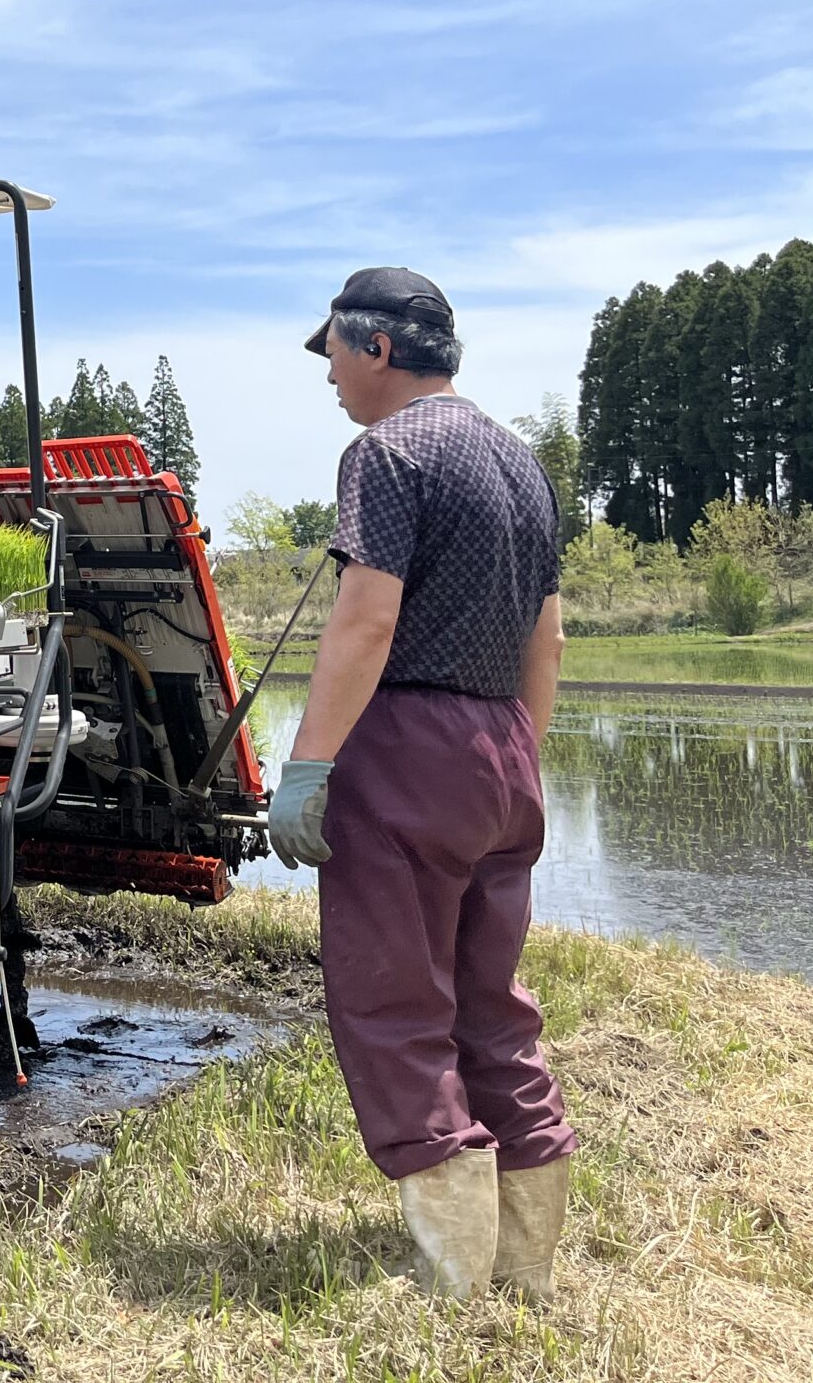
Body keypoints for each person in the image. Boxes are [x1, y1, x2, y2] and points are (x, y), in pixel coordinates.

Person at [267, 268, 576, 1303]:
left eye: (335, 357)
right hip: (502, 747)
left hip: (405, 746)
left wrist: (307, 769)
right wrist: (516, 758)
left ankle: (455, 1280)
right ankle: (524, 1272)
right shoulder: (520, 465)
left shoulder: (386, 452)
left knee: (395, 1000)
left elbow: (365, 620)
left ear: (378, 349)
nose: (331, 381)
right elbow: (548, 634)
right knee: (491, 1004)